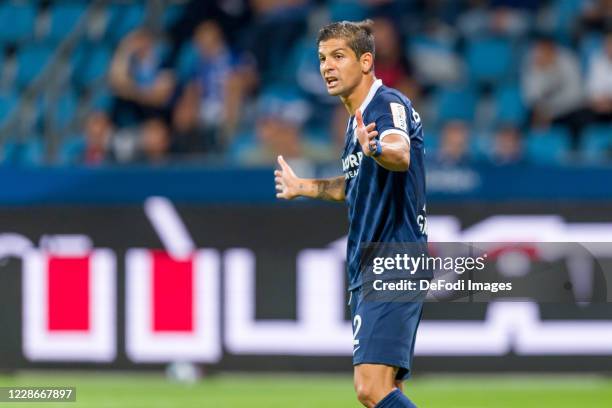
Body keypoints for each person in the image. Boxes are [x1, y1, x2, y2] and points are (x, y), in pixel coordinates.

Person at [275, 20, 427, 408]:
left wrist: (375, 149)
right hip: (371, 263)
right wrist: (304, 187)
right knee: (387, 389)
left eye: (338, 56)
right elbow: (355, 184)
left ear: (365, 61)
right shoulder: (355, 121)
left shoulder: (386, 104)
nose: (327, 66)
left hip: (392, 259)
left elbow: (399, 153)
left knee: (369, 388)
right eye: (322, 58)